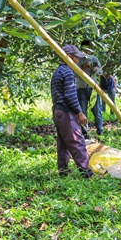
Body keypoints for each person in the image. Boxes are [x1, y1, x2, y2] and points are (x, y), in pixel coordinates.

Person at [51, 45, 94, 178]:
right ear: (69, 57)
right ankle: (86, 173)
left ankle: (63, 170)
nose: (77, 61)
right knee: (77, 141)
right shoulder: (68, 72)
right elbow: (70, 95)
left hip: (58, 111)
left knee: (63, 143)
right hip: (66, 112)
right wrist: (79, 112)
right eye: (76, 58)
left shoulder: (58, 71)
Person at [75, 40, 103, 137]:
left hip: (93, 88)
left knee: (97, 111)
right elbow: (75, 74)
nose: (87, 52)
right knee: (83, 111)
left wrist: (92, 68)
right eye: (85, 49)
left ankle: (100, 132)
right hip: (81, 88)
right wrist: (83, 67)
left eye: (88, 49)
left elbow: (100, 72)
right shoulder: (77, 59)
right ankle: (85, 133)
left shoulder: (94, 59)